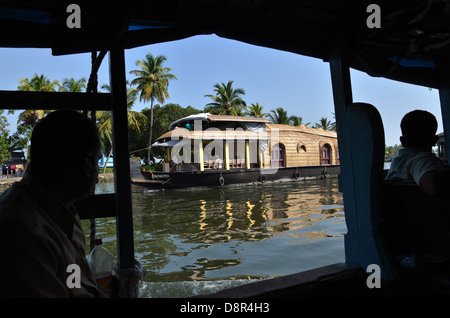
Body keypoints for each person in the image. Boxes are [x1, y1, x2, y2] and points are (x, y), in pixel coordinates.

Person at [0, 110, 102, 297]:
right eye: (97, 160)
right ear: (87, 164)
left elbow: (74, 282)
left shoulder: (63, 211)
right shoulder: (26, 232)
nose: (98, 174)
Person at [386, 109, 450, 196]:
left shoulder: (396, 163)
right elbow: (433, 186)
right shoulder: (423, 159)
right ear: (435, 140)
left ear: (402, 141)